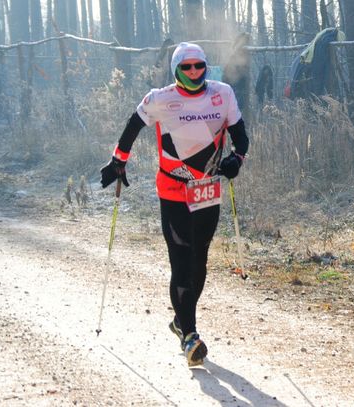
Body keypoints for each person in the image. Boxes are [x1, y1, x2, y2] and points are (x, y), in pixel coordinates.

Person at [100, 42, 249, 367]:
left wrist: (236, 159)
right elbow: (132, 126)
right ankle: (190, 336)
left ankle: (181, 319)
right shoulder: (160, 98)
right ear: (176, 70)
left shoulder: (222, 94)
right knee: (181, 261)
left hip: (206, 188)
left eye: (199, 66)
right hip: (172, 189)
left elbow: (241, 137)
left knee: (200, 260)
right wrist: (117, 161)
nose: (194, 72)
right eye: (187, 67)